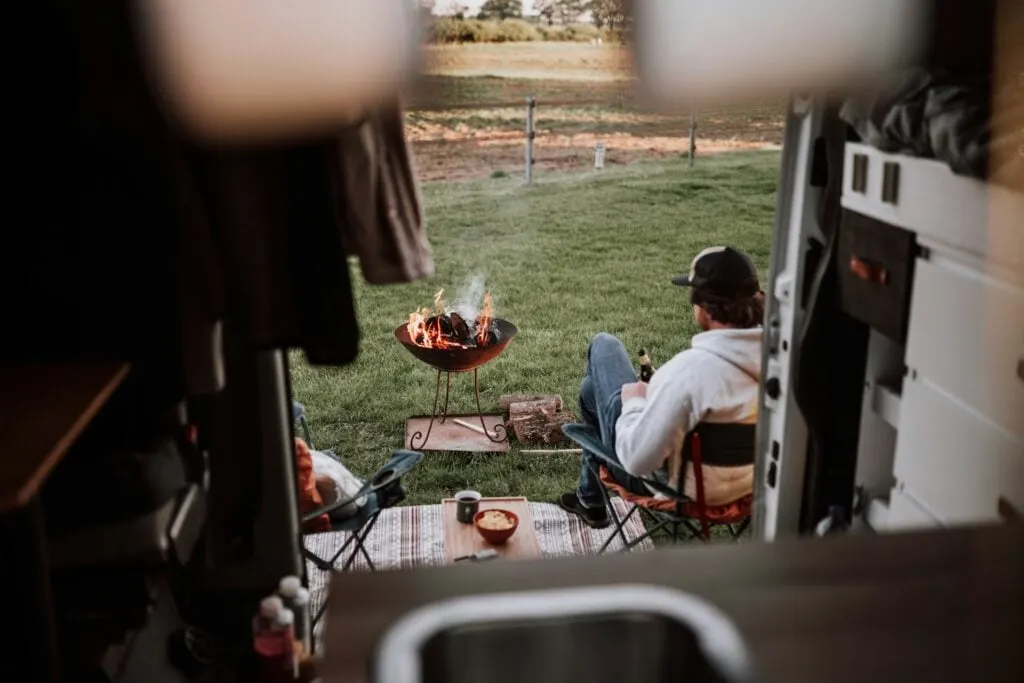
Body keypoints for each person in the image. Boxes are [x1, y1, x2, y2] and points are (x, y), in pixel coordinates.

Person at [558, 246, 765, 529]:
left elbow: (636, 461)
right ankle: (588, 498)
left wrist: (635, 402)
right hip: (745, 489)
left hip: (676, 490)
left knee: (604, 347)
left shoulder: (690, 372)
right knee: (591, 391)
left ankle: (590, 500)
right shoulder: (782, 363)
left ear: (703, 306)